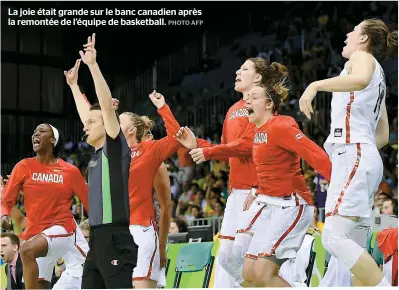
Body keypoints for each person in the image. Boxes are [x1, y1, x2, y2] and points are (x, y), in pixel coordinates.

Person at [176, 81, 332, 287]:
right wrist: (199, 145)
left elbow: (315, 154)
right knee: (247, 272)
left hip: (290, 204)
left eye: (254, 97)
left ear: (269, 105)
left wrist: (339, 186)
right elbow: (235, 148)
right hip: (267, 203)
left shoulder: (282, 125)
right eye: (247, 98)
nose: (247, 100)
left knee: (263, 273)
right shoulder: (256, 131)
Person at [299, 18, 397, 286]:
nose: (347, 34)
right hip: (363, 156)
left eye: (353, 30)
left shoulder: (362, 59)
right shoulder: (379, 79)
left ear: (364, 39)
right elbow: (384, 135)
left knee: (333, 237)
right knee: (352, 248)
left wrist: (315, 85)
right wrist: (362, 152)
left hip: (354, 154)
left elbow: (360, 78)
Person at [178, 58, 288, 288]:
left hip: (258, 192)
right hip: (236, 193)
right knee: (228, 259)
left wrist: (207, 153)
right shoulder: (232, 110)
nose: (237, 71)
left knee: (246, 258)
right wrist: (196, 143)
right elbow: (227, 149)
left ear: (257, 78)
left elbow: (250, 145)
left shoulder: (264, 106)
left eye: (245, 69)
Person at [67, 33, 137, 288]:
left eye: (91, 124)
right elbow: (91, 115)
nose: (85, 128)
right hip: (97, 239)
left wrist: (93, 66)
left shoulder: (114, 147)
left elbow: (105, 109)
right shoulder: (97, 152)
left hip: (115, 237)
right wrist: (74, 86)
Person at [0, 123, 89, 289]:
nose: (36, 134)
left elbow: (90, 203)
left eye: (42, 131)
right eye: (34, 132)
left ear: (53, 140)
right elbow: (6, 200)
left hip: (62, 229)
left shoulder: (70, 171)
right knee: (40, 284)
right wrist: (3, 215)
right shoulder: (23, 166)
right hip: (37, 234)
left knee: (26, 250)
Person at [10, 207, 89, 289]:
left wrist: (6, 203)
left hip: (84, 271)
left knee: (27, 249)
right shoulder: (40, 232)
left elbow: (22, 221)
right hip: (70, 273)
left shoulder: (61, 217)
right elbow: (21, 221)